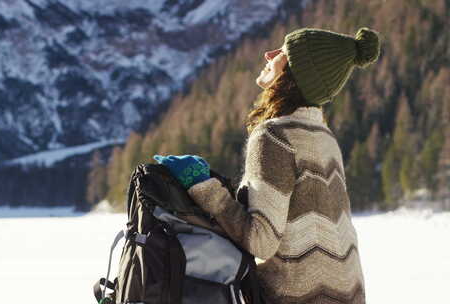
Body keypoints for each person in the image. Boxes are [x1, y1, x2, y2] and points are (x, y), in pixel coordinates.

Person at [153, 27, 380, 304]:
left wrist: (200, 185)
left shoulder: (275, 137)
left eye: (282, 53)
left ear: (297, 72)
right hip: (349, 294)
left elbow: (261, 240)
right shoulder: (324, 136)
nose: (269, 54)